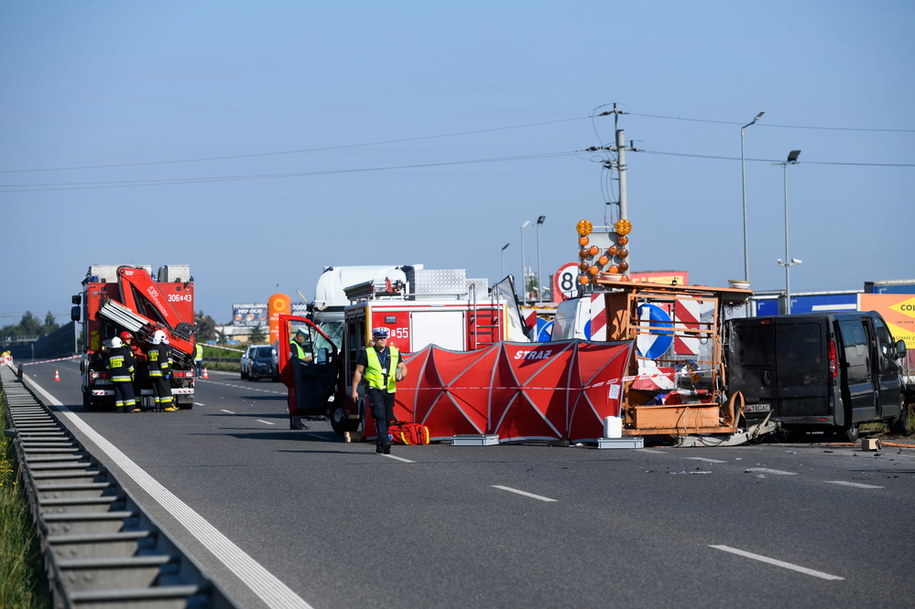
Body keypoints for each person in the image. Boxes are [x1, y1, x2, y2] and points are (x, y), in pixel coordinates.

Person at [350, 327, 407, 454]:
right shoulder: (367, 353)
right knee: (379, 415)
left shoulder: (394, 352)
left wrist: (401, 375)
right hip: (374, 389)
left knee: (387, 417)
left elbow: (402, 367)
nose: (382, 340)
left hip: (389, 389)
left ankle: (380, 442)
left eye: (384, 338)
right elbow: (358, 372)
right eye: (379, 338)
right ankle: (385, 441)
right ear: (374, 339)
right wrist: (354, 390)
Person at [288, 328, 314, 429]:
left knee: (297, 398)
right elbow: (295, 360)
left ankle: (295, 422)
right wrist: (309, 359)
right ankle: (296, 422)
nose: (306, 340)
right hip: (296, 375)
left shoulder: (297, 345)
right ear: (299, 336)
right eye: (305, 338)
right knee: (296, 398)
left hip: (299, 374)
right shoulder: (293, 345)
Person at [147, 329, 178, 412]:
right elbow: (163, 362)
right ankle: (167, 406)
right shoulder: (161, 348)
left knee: (156, 391)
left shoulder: (151, 348)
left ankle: (158, 406)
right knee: (165, 390)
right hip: (160, 374)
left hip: (152, 374)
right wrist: (166, 372)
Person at [106, 336, 137, 413]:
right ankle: (131, 408)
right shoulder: (124, 352)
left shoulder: (110, 354)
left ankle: (120, 409)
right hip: (124, 378)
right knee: (128, 393)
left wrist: (112, 368)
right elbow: (128, 364)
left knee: (118, 394)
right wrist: (132, 371)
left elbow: (106, 365)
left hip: (115, 379)